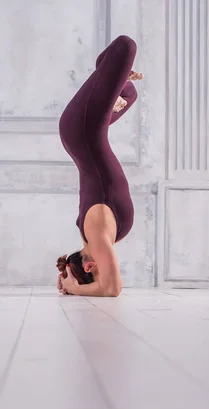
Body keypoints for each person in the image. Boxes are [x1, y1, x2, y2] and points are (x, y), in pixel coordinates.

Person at [56, 35, 143, 297]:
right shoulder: (110, 234)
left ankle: (103, 66)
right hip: (90, 133)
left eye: (97, 271)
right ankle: (107, 74)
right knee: (129, 92)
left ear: (91, 265)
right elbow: (108, 285)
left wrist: (73, 287)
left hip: (79, 131)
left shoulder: (95, 233)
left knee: (125, 47)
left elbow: (112, 289)